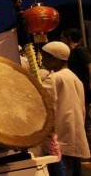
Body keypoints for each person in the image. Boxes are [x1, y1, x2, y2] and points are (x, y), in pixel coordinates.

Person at [41, 41, 90, 175]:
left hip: (60, 140)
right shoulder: (76, 79)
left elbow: (43, 105)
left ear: (53, 59)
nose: (42, 60)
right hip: (75, 137)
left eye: (44, 57)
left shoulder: (54, 78)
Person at [61, 27, 91, 158]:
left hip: (85, 90)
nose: (61, 40)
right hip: (81, 90)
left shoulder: (80, 50)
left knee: (87, 118)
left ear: (68, 38)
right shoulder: (73, 52)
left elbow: (90, 66)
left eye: (62, 37)